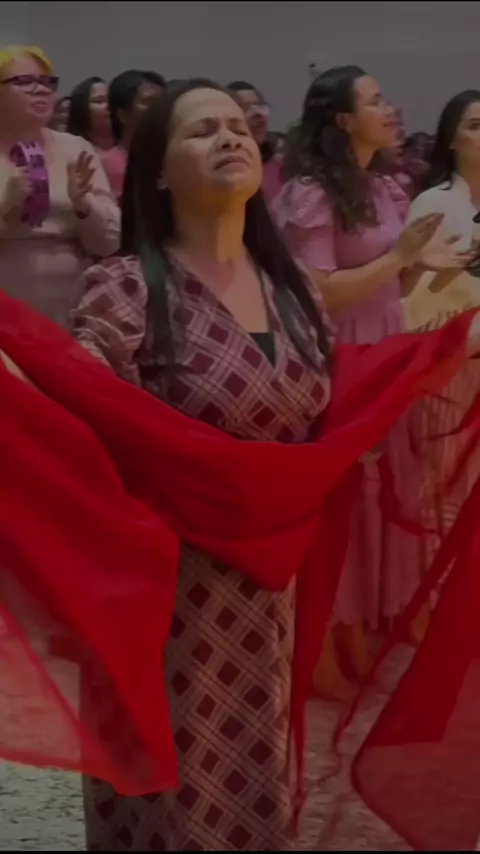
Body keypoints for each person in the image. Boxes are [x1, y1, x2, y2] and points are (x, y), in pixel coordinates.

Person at [1, 78, 480, 853]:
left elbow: (346, 388)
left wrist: (454, 344)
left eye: (235, 126)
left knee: (256, 778)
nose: (228, 136)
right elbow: (75, 401)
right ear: (159, 173)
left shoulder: (293, 292)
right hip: (164, 596)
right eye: (201, 130)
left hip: (269, 588)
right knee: (174, 800)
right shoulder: (126, 289)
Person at [274, 66, 470, 699]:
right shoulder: (311, 192)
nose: (390, 109)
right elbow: (321, 292)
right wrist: (402, 257)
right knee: (344, 499)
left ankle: (361, 624)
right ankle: (323, 638)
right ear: (342, 119)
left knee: (384, 488)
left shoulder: (383, 185)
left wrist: (422, 265)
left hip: (385, 344)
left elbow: (392, 278)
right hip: (340, 353)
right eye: (375, 101)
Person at [0, 45, 120, 327]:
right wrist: (7, 206)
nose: (40, 90)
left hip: (73, 303)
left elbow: (110, 243)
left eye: (47, 82)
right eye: (24, 81)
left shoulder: (76, 149)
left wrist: (84, 206)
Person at [101, 69, 165, 199]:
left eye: (162, 102)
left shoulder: (173, 162)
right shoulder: (103, 166)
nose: (159, 109)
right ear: (123, 115)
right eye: (149, 102)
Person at [228, 80, 283, 203]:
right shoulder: (227, 168)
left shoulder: (282, 160)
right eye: (245, 108)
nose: (258, 113)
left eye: (259, 106)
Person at [67, 75, 113, 152]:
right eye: (99, 101)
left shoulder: (130, 146)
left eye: (111, 100)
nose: (108, 105)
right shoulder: (69, 148)